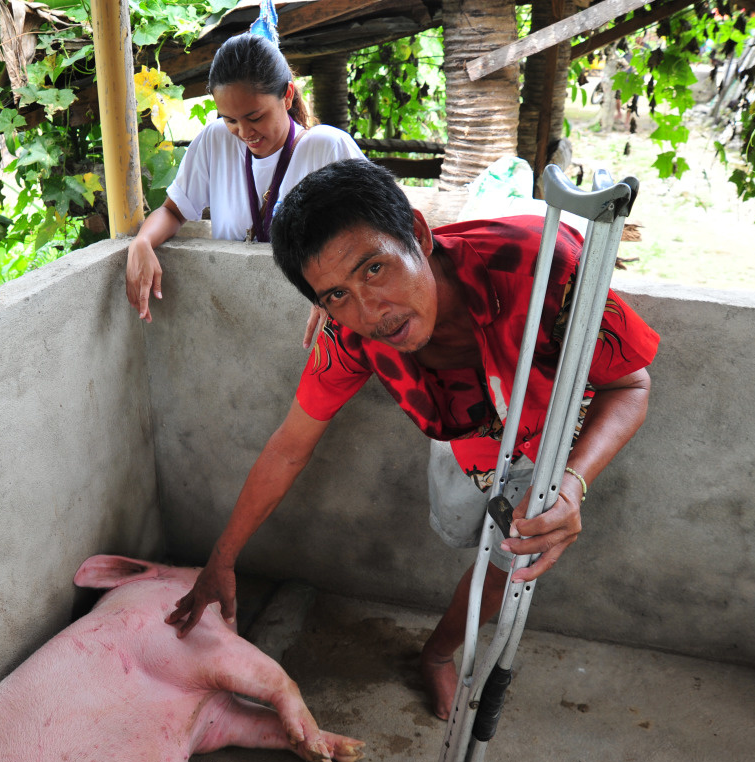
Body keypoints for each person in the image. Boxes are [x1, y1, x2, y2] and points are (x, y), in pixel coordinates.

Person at [165, 159, 660, 720]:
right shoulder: (349, 335)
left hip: (550, 437)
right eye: (336, 295)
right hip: (466, 435)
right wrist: (222, 560)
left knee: (508, 560)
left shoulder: (544, 270)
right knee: (455, 527)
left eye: (375, 269)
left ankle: (437, 654)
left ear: (420, 236)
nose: (371, 311)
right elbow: (289, 445)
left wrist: (572, 483)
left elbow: (631, 384)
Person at [125, 30, 365, 346]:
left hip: (316, 329)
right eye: (230, 120)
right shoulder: (215, 141)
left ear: (288, 95)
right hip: (237, 327)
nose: (244, 132)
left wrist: (335, 289)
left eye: (255, 117)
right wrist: (142, 242)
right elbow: (173, 210)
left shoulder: (329, 148)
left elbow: (376, 233)